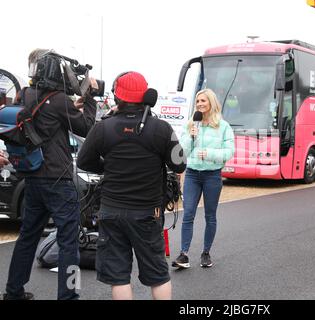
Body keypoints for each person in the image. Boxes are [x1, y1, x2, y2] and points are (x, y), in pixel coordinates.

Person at [77, 71, 186, 300]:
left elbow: (84, 161)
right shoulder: (161, 129)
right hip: (148, 213)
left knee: (118, 277)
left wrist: (109, 167)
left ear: (117, 97)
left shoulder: (103, 127)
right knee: (158, 274)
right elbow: (179, 164)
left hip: (111, 212)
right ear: (146, 96)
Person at [3, 49, 98, 300]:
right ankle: (69, 296)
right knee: (69, 241)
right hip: (58, 179)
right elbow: (87, 127)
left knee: (27, 237)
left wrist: (71, 107)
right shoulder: (59, 100)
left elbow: (44, 117)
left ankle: (13, 291)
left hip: (32, 175)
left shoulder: (24, 94)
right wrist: (89, 98)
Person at [172, 88, 234, 269]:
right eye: (198, 101)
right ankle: (184, 255)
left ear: (211, 103)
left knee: (210, 216)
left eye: (203, 101)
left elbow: (229, 151)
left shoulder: (223, 126)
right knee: (188, 213)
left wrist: (210, 153)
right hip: (192, 174)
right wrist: (190, 136)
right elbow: (182, 151)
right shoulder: (191, 124)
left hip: (212, 176)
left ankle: (206, 252)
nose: (199, 104)